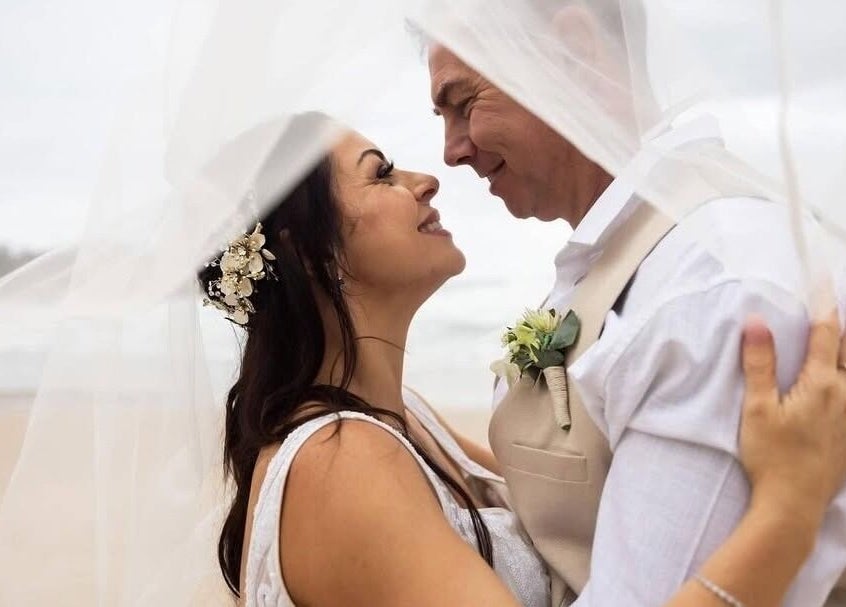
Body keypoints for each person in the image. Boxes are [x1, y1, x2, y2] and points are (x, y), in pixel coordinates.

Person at [198, 113, 846, 606]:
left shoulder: (400, 417)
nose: (426, 179)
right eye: (382, 173)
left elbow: (566, 500)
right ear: (307, 252)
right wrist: (787, 511)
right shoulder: (339, 462)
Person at [426, 5, 846, 605]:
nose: (450, 152)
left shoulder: (709, 286)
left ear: (573, 49)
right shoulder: (628, 259)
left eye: (465, 103)